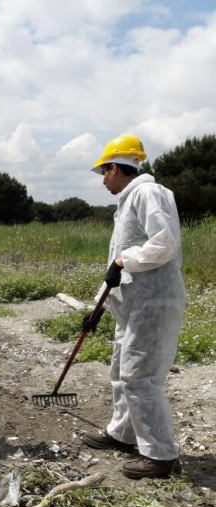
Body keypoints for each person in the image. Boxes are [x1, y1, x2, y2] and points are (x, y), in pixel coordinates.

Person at [82, 134, 186, 479]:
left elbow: (164, 243)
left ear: (115, 167)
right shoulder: (130, 198)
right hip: (132, 301)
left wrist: (126, 259)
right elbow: (119, 264)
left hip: (153, 301)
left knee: (140, 377)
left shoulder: (148, 193)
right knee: (121, 371)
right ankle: (123, 434)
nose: (103, 180)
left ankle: (160, 455)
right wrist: (98, 304)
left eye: (104, 173)